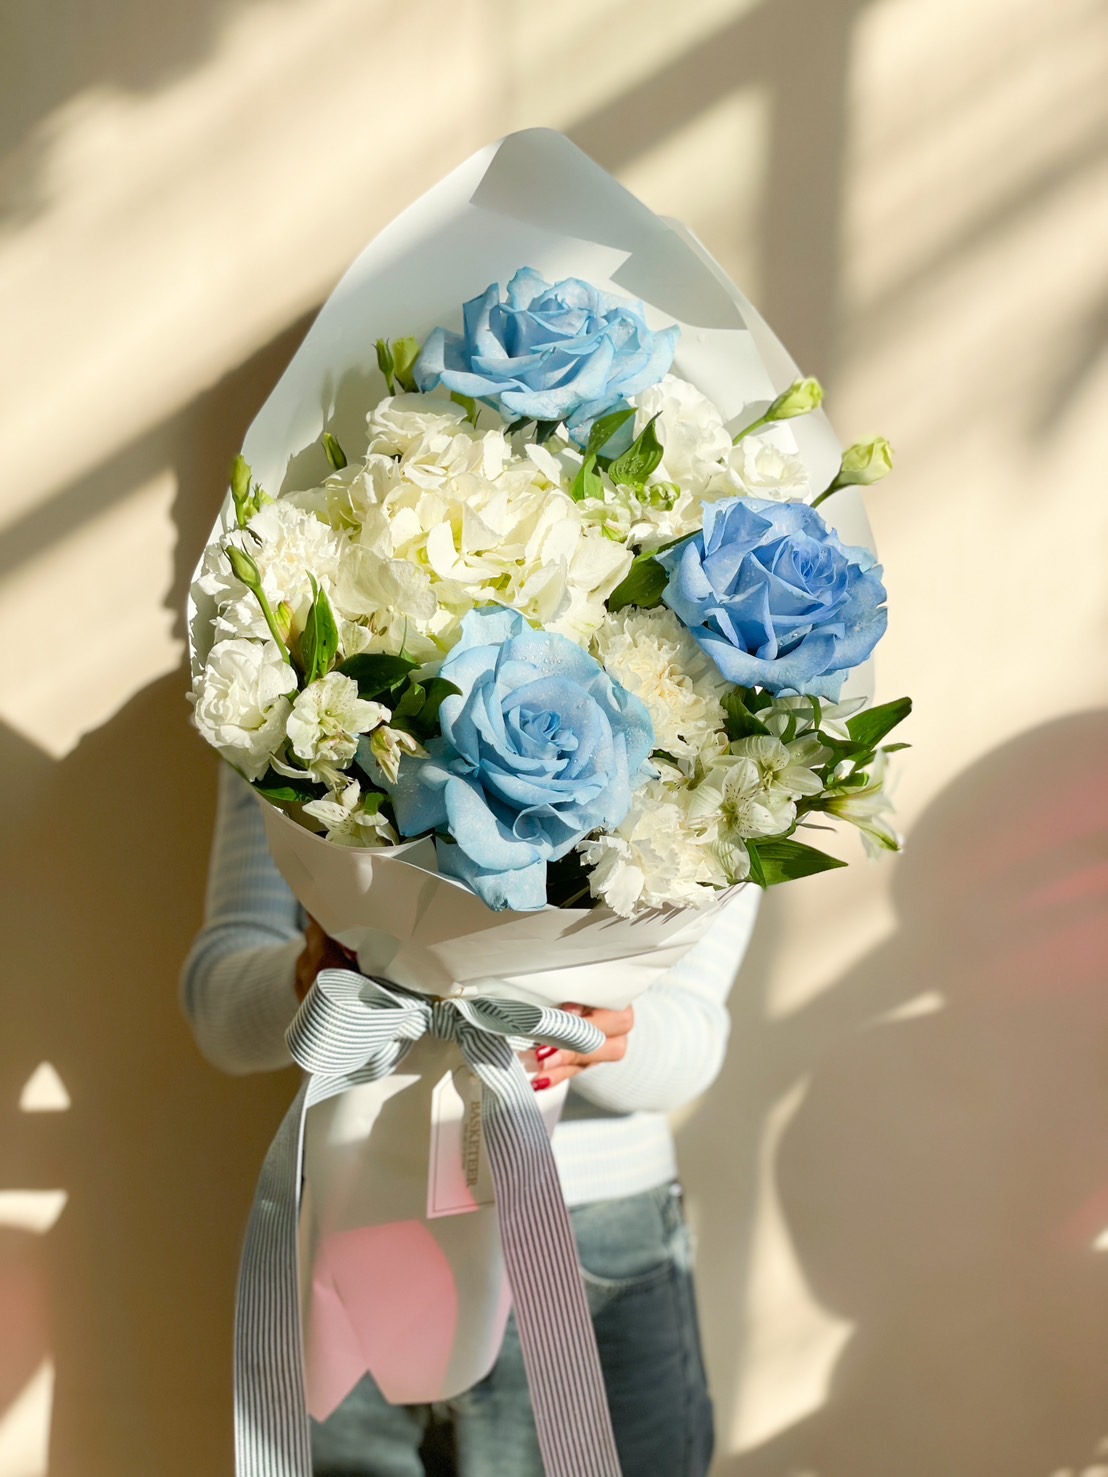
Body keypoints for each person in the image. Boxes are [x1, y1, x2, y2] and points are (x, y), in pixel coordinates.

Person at [181, 764, 760, 1477]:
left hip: (590, 1254)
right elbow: (219, 1010)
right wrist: (313, 982)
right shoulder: (284, 672)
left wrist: (592, 1029)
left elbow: (693, 1043)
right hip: (350, 1221)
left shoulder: (731, 702)